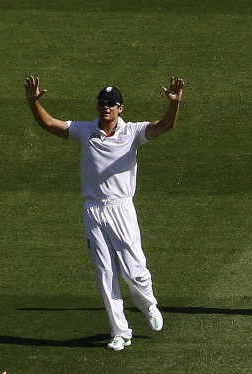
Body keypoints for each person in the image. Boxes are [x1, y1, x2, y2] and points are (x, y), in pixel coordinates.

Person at [24, 74, 184, 350]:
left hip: (121, 208)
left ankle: (149, 306)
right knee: (105, 272)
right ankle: (120, 331)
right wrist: (33, 102)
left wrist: (174, 103)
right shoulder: (85, 131)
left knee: (134, 270)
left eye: (111, 103)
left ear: (121, 108)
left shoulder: (132, 132)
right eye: (102, 103)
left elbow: (166, 125)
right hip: (93, 210)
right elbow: (48, 123)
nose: (106, 107)